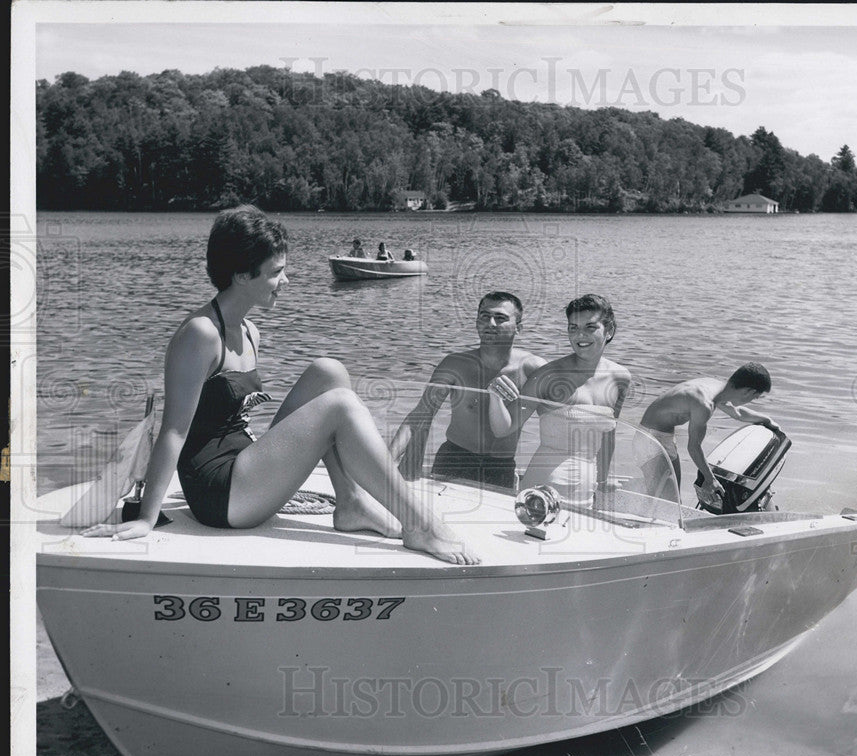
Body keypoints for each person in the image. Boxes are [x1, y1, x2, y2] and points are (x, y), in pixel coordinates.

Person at [81, 205, 478, 566]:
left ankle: (352, 502)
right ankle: (420, 525)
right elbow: (172, 430)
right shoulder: (200, 334)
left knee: (329, 372)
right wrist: (147, 518)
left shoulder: (249, 330)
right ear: (241, 275)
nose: (286, 281)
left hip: (243, 464)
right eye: (276, 272)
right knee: (339, 406)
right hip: (219, 494)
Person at [389, 292, 546, 490]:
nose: (490, 323)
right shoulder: (455, 365)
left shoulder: (532, 369)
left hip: (501, 467)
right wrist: (388, 461)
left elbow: (558, 416)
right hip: (454, 460)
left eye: (500, 318)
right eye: (484, 316)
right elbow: (421, 414)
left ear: (519, 328)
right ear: (476, 322)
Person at [487, 294, 631, 507]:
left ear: (608, 330)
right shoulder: (548, 375)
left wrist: (602, 482)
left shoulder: (620, 377)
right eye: (573, 327)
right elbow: (503, 429)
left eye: (590, 327)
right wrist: (494, 397)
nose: (580, 335)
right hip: (543, 489)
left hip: (587, 488)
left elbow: (608, 435)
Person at [637, 363, 780, 505]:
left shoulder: (715, 388)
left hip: (664, 438)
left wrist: (767, 420)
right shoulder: (704, 404)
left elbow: (737, 413)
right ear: (749, 391)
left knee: (673, 502)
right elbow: (693, 447)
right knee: (667, 504)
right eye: (755, 398)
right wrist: (710, 479)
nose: (752, 401)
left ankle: (644, 504)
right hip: (649, 440)